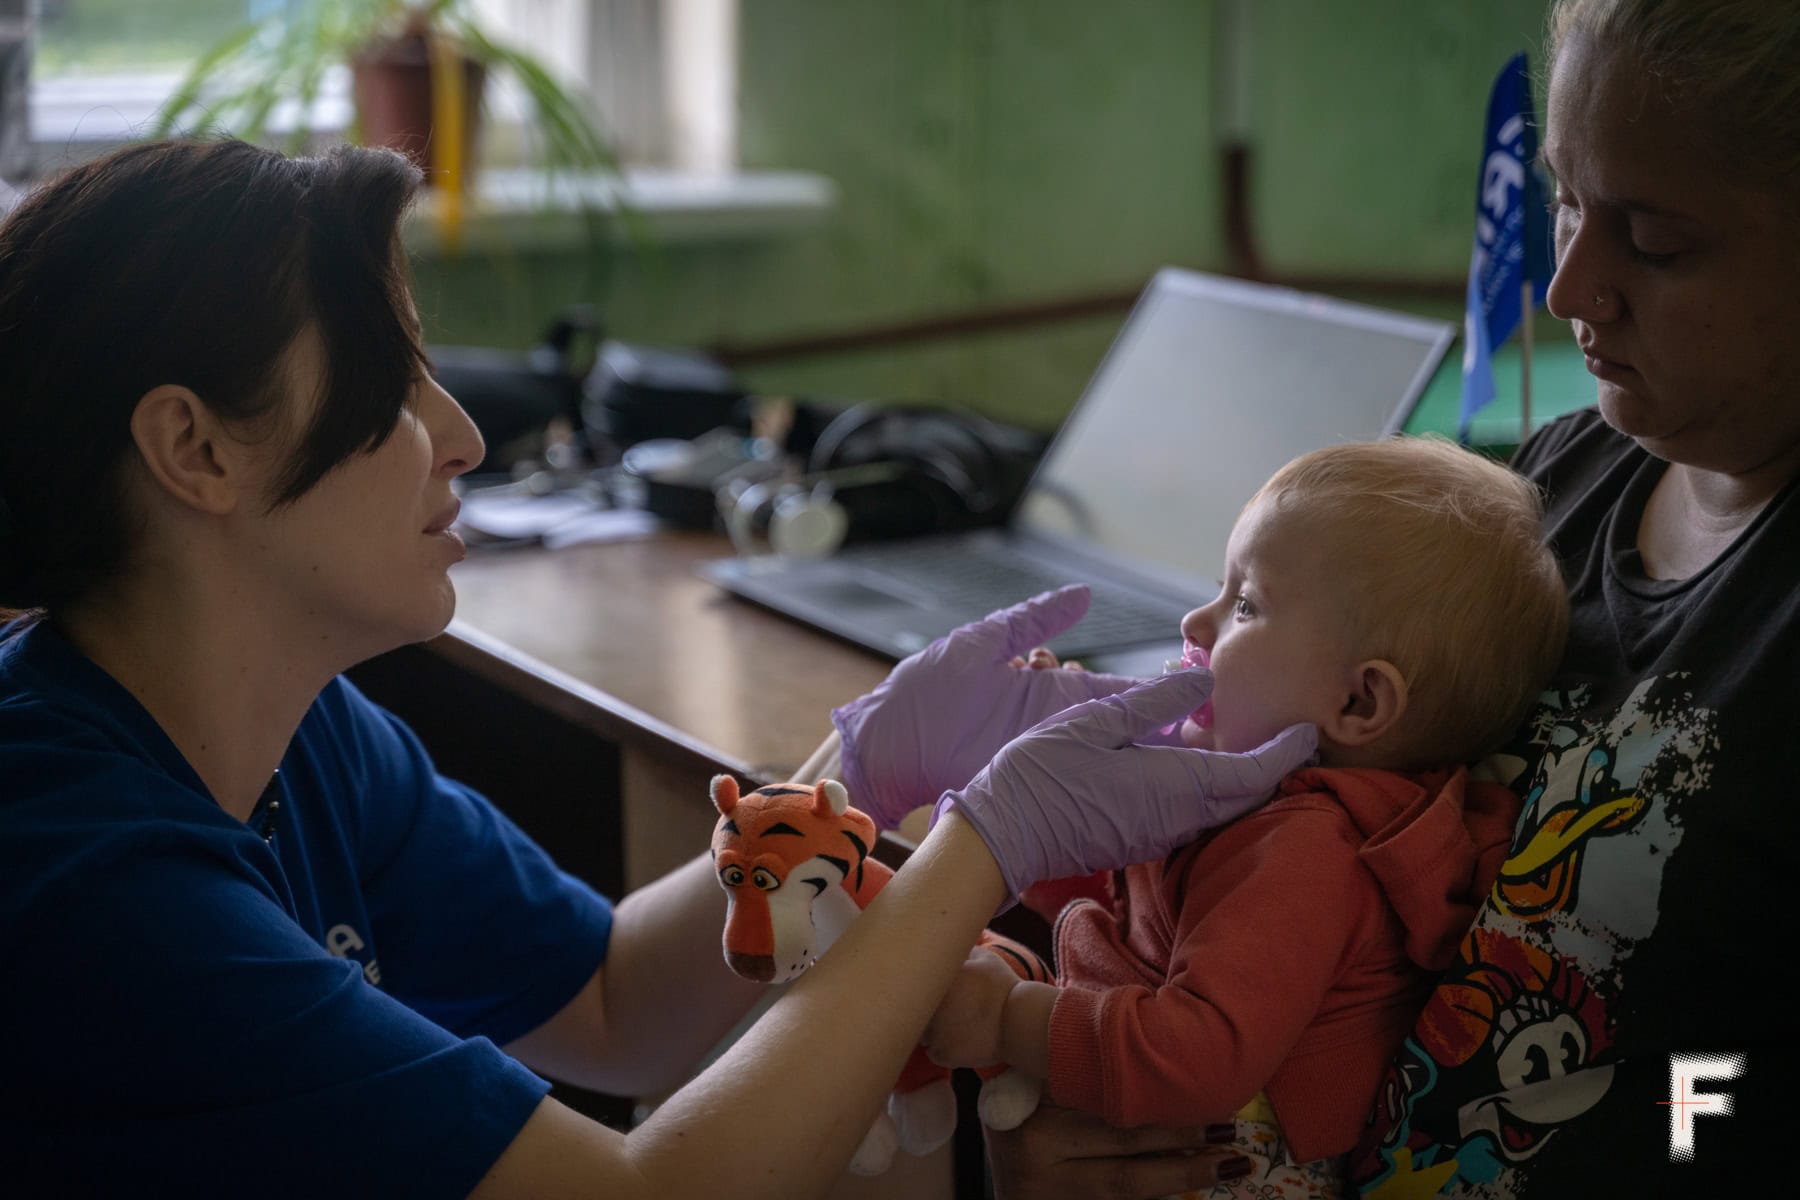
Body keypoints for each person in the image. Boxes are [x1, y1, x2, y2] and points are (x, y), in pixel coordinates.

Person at [0, 137, 1318, 1199]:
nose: (458, 435)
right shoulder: (88, 884)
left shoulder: (298, 731)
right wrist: (985, 841)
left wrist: (853, 779)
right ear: (197, 450)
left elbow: (611, 999)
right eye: (395, 383)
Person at [833, 0, 1800, 1193]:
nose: (1568, 287)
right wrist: (1068, 1121)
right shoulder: (1542, 494)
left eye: (1652, 239)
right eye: (1564, 198)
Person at [915, 437, 1568, 1196]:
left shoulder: (1308, 853)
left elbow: (1196, 1058)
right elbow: (1139, 909)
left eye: (1246, 604)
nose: (1196, 623)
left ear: (1360, 702)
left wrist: (1004, 1018)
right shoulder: (1256, 795)